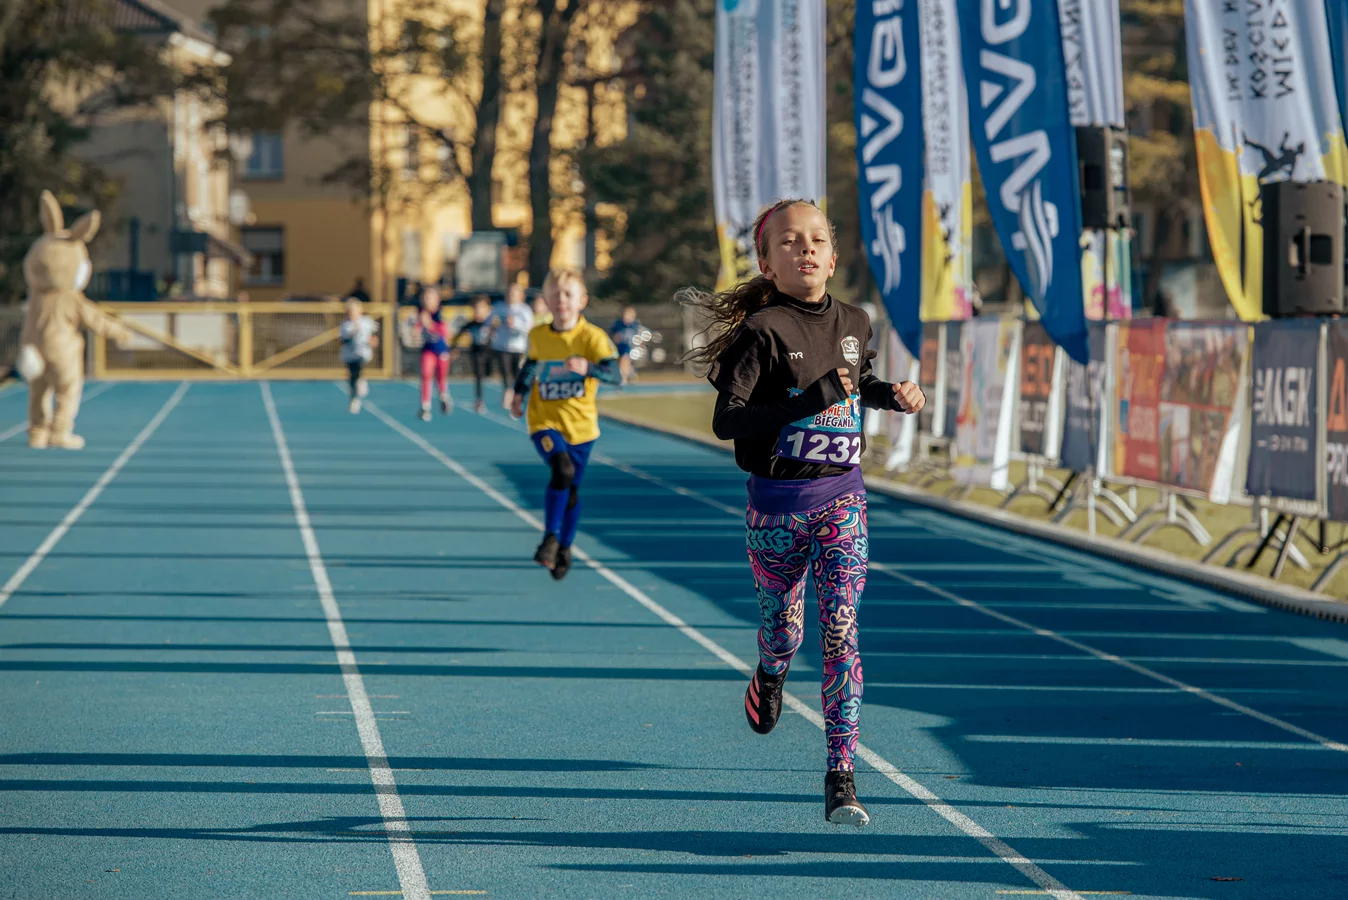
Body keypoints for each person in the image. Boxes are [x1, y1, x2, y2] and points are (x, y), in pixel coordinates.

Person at [682, 198, 924, 828]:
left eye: (817, 238)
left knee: (842, 629)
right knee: (784, 632)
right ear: (767, 263)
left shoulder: (855, 320)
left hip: (842, 499)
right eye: (789, 241)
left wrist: (892, 395)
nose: (806, 248)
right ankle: (770, 672)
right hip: (775, 510)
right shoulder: (761, 332)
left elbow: (857, 383)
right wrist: (807, 400)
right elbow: (727, 423)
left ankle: (841, 775)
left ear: (834, 257)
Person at [510, 269, 621, 581]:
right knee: (562, 470)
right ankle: (549, 537)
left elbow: (616, 375)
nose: (562, 300)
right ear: (546, 301)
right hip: (544, 421)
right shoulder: (538, 335)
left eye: (568, 294)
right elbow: (530, 366)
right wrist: (518, 393)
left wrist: (589, 368)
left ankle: (566, 546)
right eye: (555, 295)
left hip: (582, 428)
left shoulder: (592, 338)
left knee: (571, 489)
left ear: (582, 300)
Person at [491, 284, 534, 409]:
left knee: (518, 374)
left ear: (521, 296)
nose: (511, 296)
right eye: (509, 293)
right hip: (502, 346)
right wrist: (493, 326)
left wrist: (515, 324)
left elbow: (529, 328)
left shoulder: (524, 310)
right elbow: (489, 323)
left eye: (514, 294)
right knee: (505, 373)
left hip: (519, 347)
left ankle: (518, 396)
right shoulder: (499, 307)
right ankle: (507, 393)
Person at [452, 296, 496, 414]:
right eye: (476, 309)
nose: (478, 311)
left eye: (481, 308)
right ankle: (479, 400)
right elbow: (458, 335)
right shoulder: (471, 324)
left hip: (490, 352)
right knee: (479, 376)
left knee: (489, 373)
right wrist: (454, 348)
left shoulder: (491, 324)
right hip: (476, 351)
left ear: (488, 309)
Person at [416, 287, 453, 421]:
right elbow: (417, 329)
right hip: (428, 349)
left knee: (441, 377)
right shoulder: (421, 313)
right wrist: (416, 330)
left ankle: (444, 395)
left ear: (437, 300)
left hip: (441, 350)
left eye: (430, 298)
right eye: (425, 298)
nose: (427, 301)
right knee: (426, 375)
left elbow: (444, 332)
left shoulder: (440, 314)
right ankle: (425, 406)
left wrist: (430, 324)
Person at [339, 298, 379, 413]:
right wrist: (352, 333)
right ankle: (354, 397)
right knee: (352, 376)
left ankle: (360, 380)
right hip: (350, 354)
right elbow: (343, 340)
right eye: (350, 312)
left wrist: (373, 341)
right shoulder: (346, 325)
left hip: (362, 352)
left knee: (358, 367)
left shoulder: (366, 322)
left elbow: (374, 334)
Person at [608, 306, 642, 385]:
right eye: (625, 315)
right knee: (620, 362)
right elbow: (612, 335)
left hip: (629, 347)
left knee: (625, 359)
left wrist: (640, 343)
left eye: (629, 316)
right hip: (619, 347)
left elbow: (639, 336)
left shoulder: (635, 325)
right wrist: (615, 338)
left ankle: (624, 378)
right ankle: (631, 373)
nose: (627, 318)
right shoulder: (618, 325)